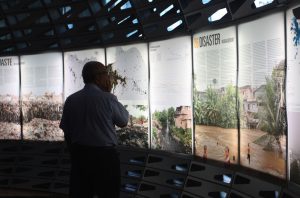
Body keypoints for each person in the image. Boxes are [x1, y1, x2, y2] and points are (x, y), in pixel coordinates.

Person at [59, 61, 129, 198]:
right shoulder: (107, 98)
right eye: (105, 74)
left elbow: (66, 131)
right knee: (108, 194)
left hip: (79, 155)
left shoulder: (71, 100)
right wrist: (109, 93)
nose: (108, 77)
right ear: (97, 77)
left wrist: (74, 153)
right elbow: (123, 121)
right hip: (105, 158)